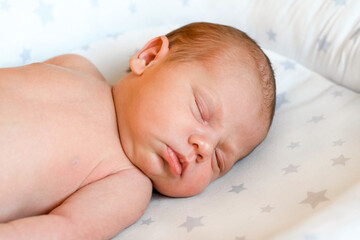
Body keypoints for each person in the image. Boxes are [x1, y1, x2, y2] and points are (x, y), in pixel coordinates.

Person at [0, 22, 276, 239]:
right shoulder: (75, 66)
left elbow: (66, 231)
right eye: (202, 111)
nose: (203, 148)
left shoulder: (127, 185)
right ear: (149, 57)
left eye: (219, 159)